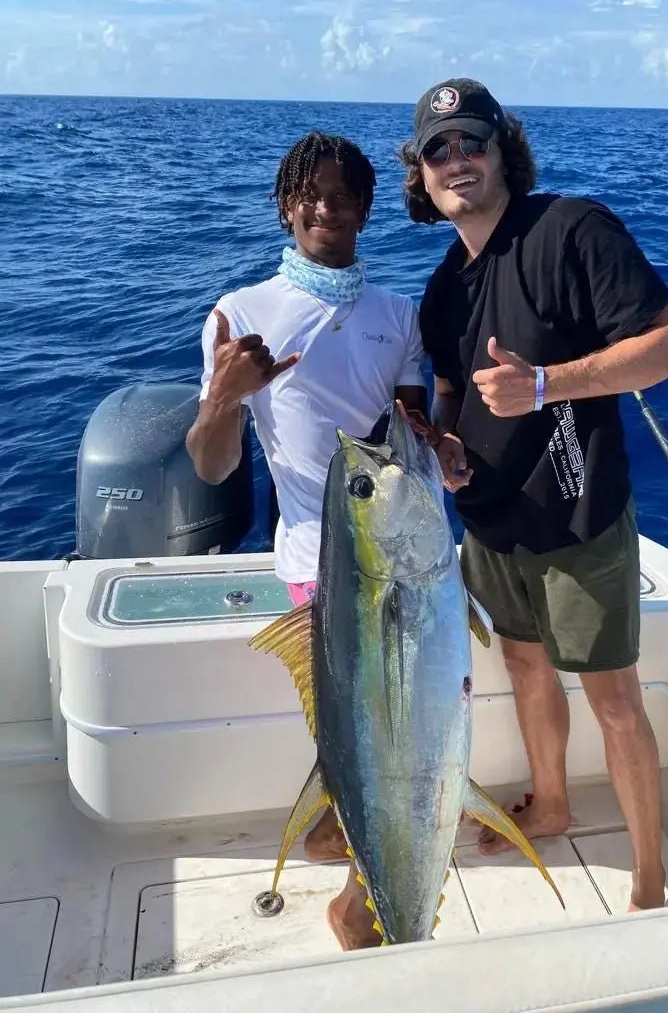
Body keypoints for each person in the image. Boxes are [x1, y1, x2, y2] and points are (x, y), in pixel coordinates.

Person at [400, 78, 668, 912]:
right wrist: (445, 448)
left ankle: (649, 878)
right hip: (489, 527)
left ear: (504, 151)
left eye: (473, 140)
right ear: (421, 175)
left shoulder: (571, 229)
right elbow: (450, 394)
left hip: (579, 518)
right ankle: (554, 803)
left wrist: (548, 385)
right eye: (438, 149)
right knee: (526, 666)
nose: (457, 159)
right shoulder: (442, 289)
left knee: (613, 698)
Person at [186, 130, 427, 947]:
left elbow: (411, 427)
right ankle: (360, 902)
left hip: (397, 552)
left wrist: (440, 438)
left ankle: (332, 832)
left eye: (344, 194)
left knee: (371, 724)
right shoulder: (241, 313)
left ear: (366, 209)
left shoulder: (398, 315)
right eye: (310, 194)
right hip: (315, 562)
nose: (327, 207)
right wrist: (224, 397)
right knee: (371, 731)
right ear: (287, 205)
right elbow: (213, 466)